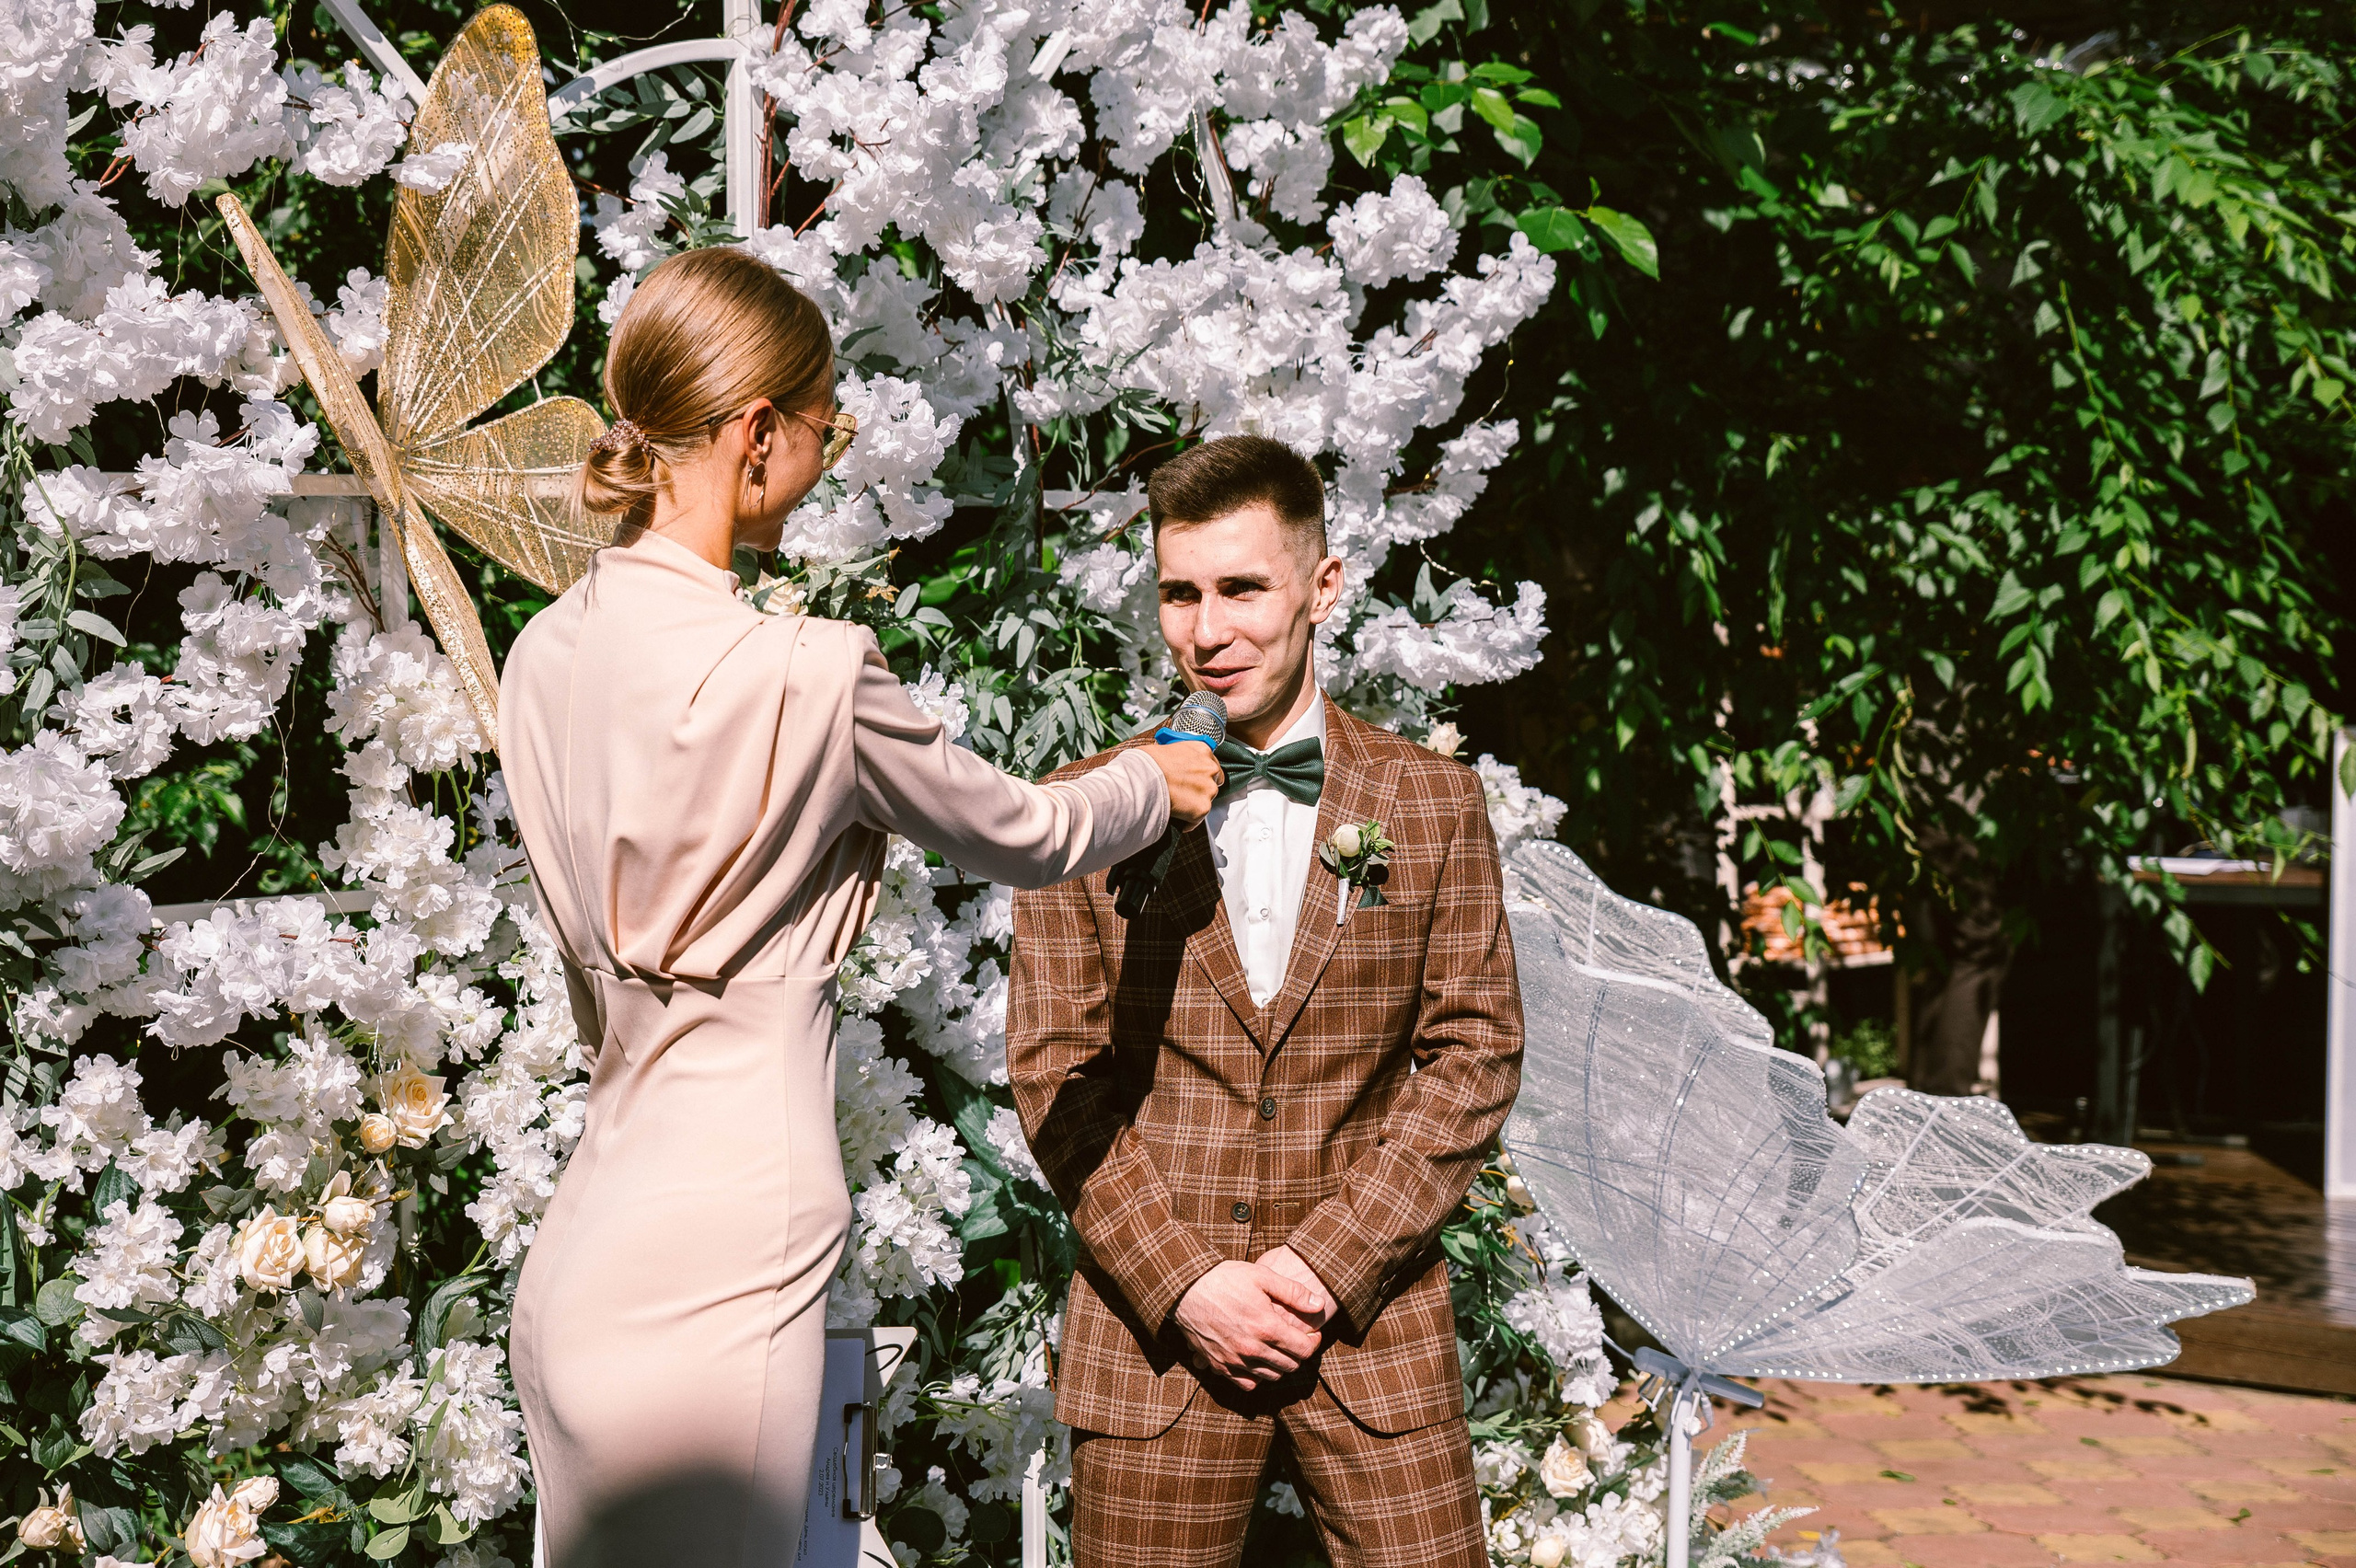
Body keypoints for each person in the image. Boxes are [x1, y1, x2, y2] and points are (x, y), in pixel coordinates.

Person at [497, 247, 1222, 1568]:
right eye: (830, 422)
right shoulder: (810, 673)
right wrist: (1151, 783)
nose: (832, 451)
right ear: (758, 431)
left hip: (582, 1251)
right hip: (729, 1248)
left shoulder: (542, 653)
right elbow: (1027, 831)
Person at [1007, 435, 1525, 1567]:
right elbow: (1054, 1073)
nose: (1208, 628)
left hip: (1371, 1337)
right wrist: (1187, 1284)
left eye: (1243, 586)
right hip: (1157, 1353)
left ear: (1321, 587)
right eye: (1180, 593)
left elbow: (1474, 1054)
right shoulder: (1080, 809)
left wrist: (1319, 1268)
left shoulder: (1429, 801)